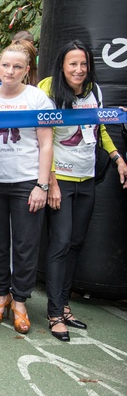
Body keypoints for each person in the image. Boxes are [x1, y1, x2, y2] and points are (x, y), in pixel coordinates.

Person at [39, 40, 127, 341]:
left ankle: (64, 306)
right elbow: (43, 137)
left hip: (87, 178)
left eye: (84, 64)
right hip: (60, 179)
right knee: (61, 242)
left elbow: (99, 128)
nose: (79, 69)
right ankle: (54, 313)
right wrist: (50, 180)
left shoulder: (94, 91)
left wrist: (116, 157)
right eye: (73, 64)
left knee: (76, 243)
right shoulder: (48, 89)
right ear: (62, 65)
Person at [0, 42, 54, 336]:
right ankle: (1, 296)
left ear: (26, 70)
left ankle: (20, 301)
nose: (10, 71)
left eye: (17, 67)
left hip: (26, 182)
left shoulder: (37, 98)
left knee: (25, 244)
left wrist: (42, 185)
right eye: (5, 65)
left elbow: (46, 144)